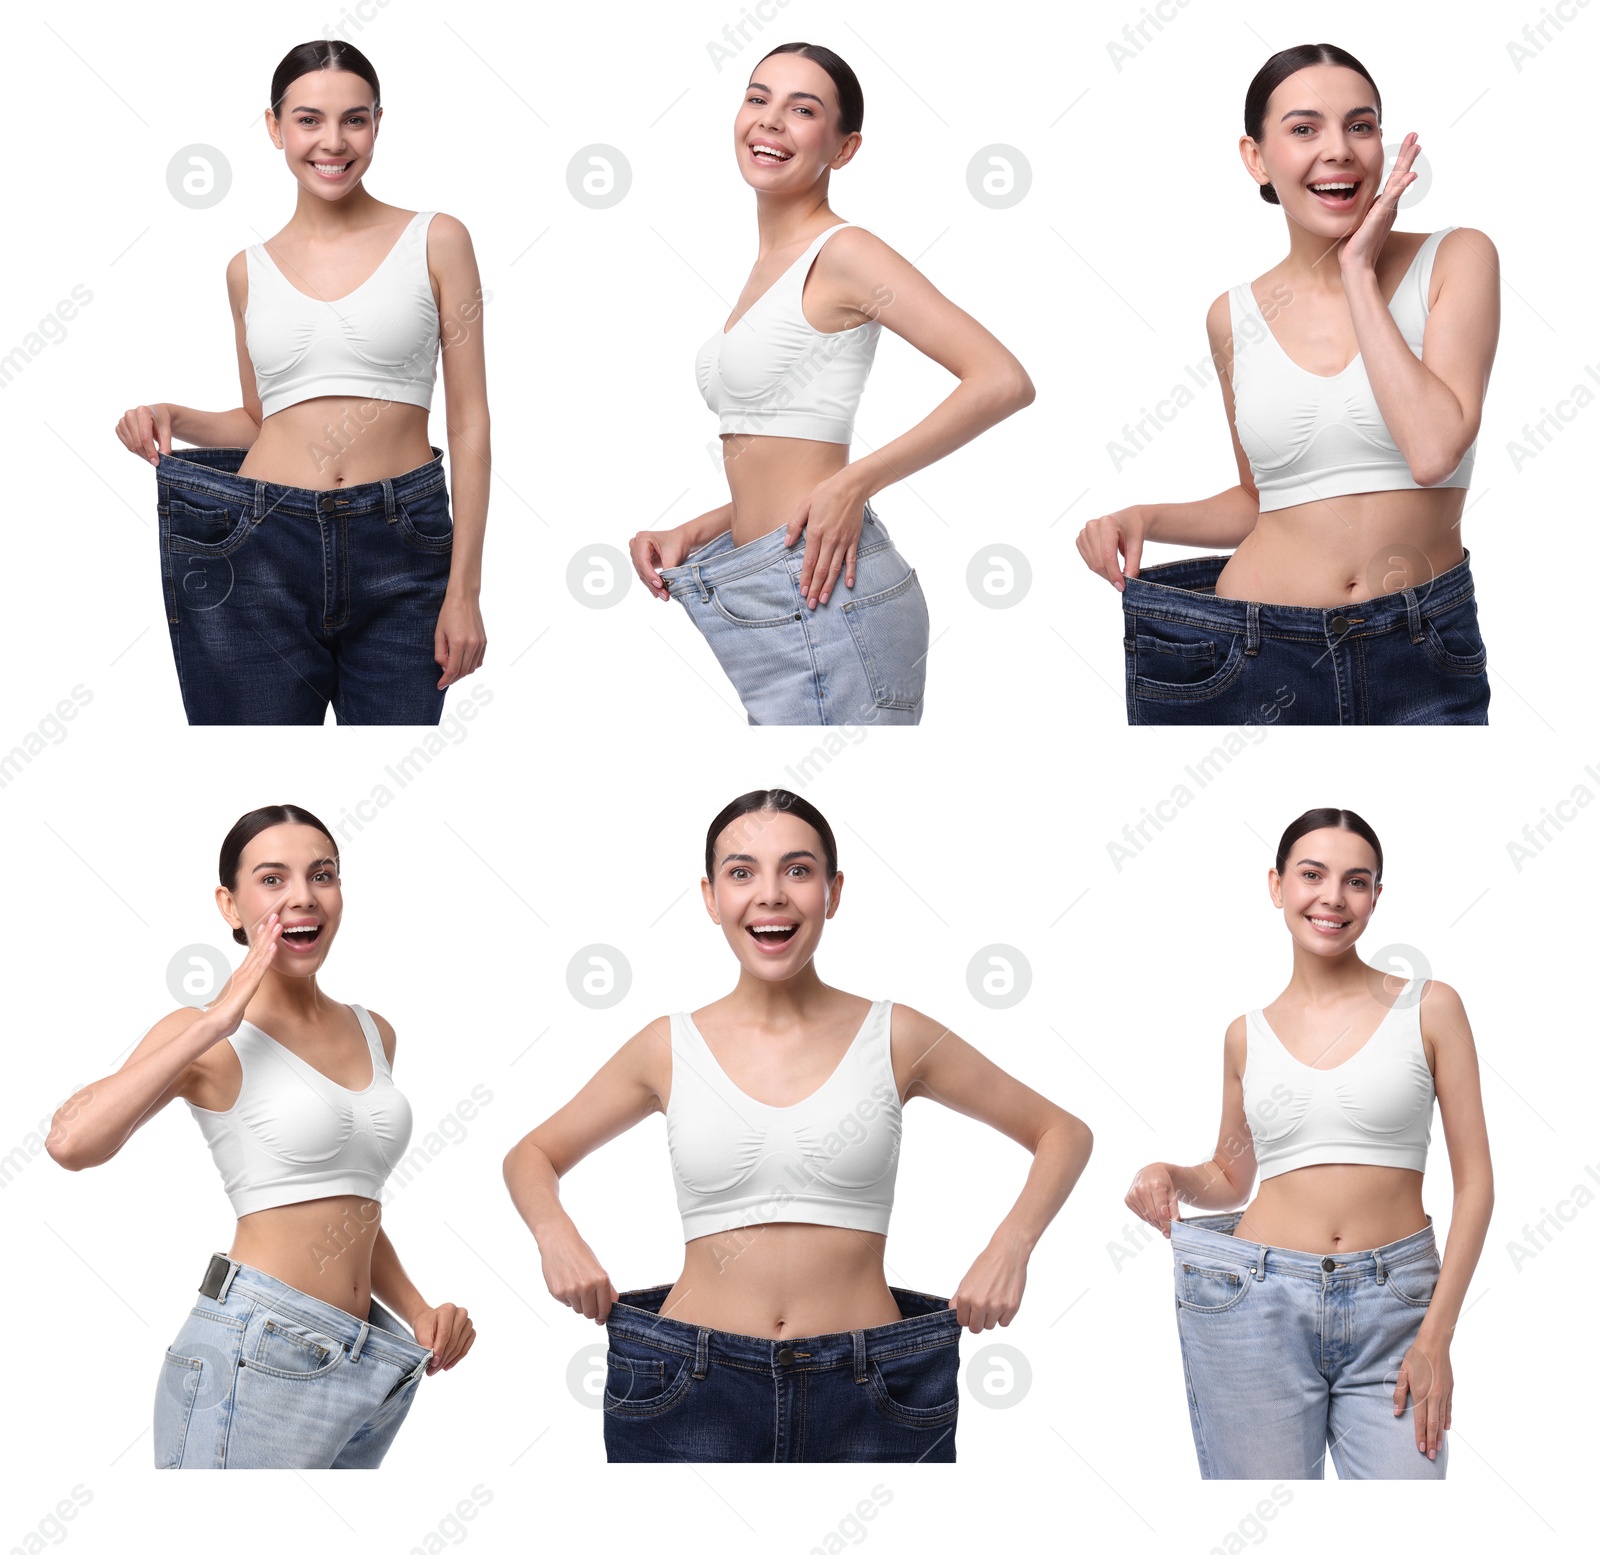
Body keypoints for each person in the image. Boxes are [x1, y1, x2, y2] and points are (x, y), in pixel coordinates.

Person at [504, 788, 1091, 1461]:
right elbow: (531, 1153)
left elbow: (1062, 1131)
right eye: (742, 871)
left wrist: (1009, 1247)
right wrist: (557, 1235)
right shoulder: (668, 1046)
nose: (771, 894)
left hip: (875, 1389)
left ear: (833, 892)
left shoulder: (896, 1036)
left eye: (799, 870)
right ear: (709, 896)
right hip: (686, 1386)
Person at [1077, 43, 1498, 725]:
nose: (1339, 149)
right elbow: (1258, 500)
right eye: (1305, 129)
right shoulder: (1233, 316)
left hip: (1419, 654)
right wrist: (1146, 518)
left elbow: (1433, 450)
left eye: (1361, 126)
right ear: (1257, 158)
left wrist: (1359, 271)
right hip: (1244, 656)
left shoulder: (1456, 257)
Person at [45, 804, 474, 1468]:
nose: (303, 894)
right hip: (253, 1349)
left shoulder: (374, 1030)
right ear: (230, 903)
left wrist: (417, 1307)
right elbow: (72, 1143)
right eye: (272, 879)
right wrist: (213, 1021)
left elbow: (346, 1204)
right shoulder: (208, 1036)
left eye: (322, 874)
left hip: (368, 1358)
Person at [629, 43, 1034, 725]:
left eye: (803, 109)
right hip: (771, 578)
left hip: (820, 597)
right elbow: (791, 452)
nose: (770, 121)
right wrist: (698, 529)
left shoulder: (844, 252)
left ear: (843, 149)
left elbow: (1001, 379)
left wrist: (856, 482)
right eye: (758, 98)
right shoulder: (771, 264)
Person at [115, 40, 489, 725]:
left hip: (402, 545)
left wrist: (464, 587)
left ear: (378, 123)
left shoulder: (437, 240)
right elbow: (264, 420)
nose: (333, 142)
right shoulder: (246, 270)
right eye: (309, 119)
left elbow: (469, 425)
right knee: (252, 765)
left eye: (355, 119)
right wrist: (175, 413)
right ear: (274, 127)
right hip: (257, 545)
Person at [1125, 808, 1492, 1477]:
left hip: (1397, 1307)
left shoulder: (1430, 1007)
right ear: (1276, 885)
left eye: (1356, 880)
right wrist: (1168, 1172)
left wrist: (1436, 1336)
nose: (1333, 896)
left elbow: (1476, 1185)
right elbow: (1230, 1177)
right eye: (1312, 874)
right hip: (1253, 1301)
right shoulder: (1245, 1034)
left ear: (1376, 897)